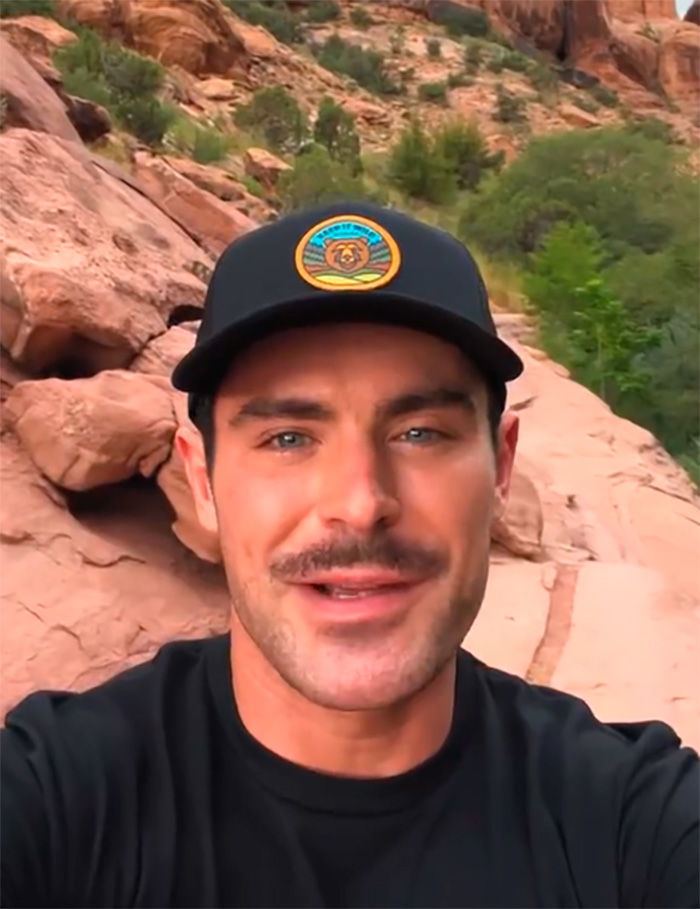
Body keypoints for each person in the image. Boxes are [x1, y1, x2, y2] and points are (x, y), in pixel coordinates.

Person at [1, 202, 698, 909]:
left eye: (420, 432)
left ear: (500, 469)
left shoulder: (630, 816)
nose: (361, 502)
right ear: (204, 481)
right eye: (288, 439)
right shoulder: (57, 796)